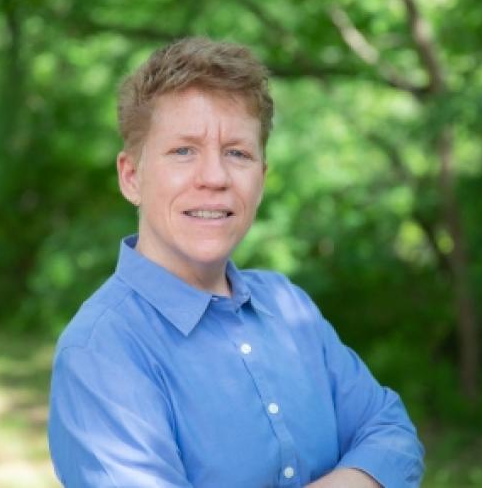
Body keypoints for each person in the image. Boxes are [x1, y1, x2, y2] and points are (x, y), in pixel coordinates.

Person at [48, 37, 424, 488]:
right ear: (131, 176)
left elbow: (393, 434)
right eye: (183, 150)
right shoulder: (102, 351)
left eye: (238, 153)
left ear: (261, 180)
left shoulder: (289, 305)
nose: (214, 177)